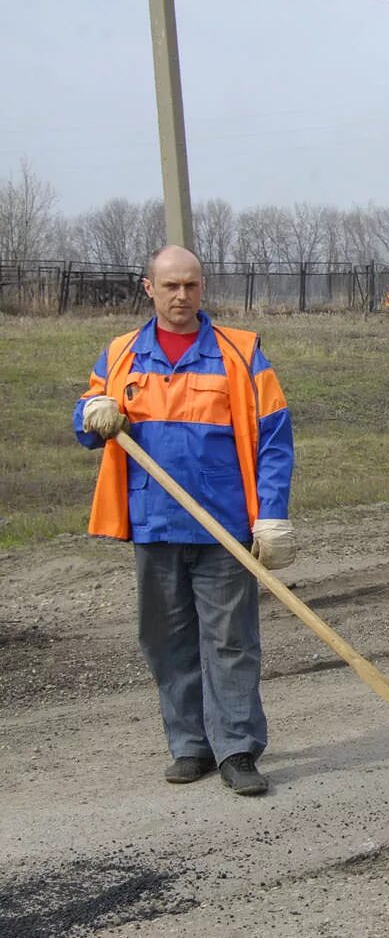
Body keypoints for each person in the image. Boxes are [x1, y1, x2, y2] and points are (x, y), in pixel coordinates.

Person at [75, 245, 296, 797]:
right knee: (166, 640)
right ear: (148, 288)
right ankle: (190, 746)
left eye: (191, 285)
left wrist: (270, 515)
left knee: (230, 640)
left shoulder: (240, 354)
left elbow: (274, 438)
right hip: (153, 523)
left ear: (202, 288)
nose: (181, 296)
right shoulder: (123, 354)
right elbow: (87, 421)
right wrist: (90, 413)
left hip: (223, 527)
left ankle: (237, 749)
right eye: (170, 285)